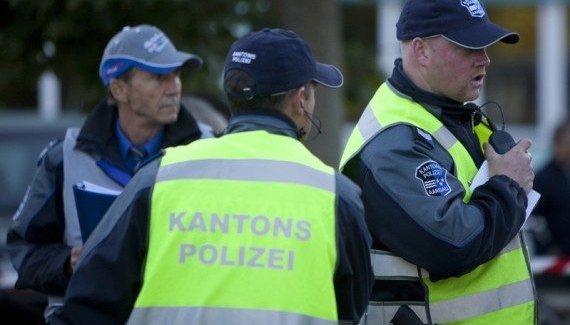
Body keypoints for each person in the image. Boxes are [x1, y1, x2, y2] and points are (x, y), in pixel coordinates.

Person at [50, 27, 373, 325]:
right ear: (300, 97)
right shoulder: (334, 194)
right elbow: (353, 306)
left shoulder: (161, 176)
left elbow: (90, 299)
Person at [340, 0, 537, 324]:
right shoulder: (394, 139)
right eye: (468, 47)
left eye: (486, 45)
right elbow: (454, 244)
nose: (485, 59)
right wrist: (507, 183)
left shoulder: (457, 114)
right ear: (421, 51)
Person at [7, 24, 214, 320]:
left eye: (177, 74)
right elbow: (24, 250)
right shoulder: (64, 158)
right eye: (158, 77)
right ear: (119, 89)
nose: (175, 86)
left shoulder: (211, 149)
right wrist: (67, 263)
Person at [533, 118, 570, 255]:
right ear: (557, 143)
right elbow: (535, 220)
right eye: (567, 143)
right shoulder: (542, 178)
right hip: (552, 259)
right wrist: (548, 245)